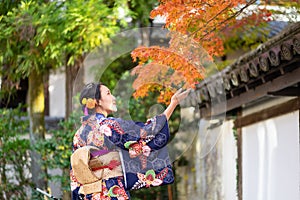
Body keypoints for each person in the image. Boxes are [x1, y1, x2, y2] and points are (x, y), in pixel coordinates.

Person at [70, 82, 190, 200]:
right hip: (111, 191)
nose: (113, 97)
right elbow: (146, 132)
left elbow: (75, 176)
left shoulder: (78, 135)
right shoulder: (108, 125)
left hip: (88, 195)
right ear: (97, 101)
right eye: (108, 93)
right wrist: (173, 104)